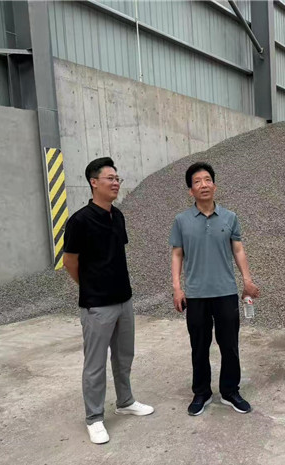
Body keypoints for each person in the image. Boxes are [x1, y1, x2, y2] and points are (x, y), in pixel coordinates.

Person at [63, 157, 154, 445]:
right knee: (95, 364)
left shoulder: (118, 216)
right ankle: (94, 418)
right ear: (94, 182)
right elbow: (69, 262)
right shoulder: (79, 221)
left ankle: (125, 401)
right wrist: (91, 286)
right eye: (110, 179)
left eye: (117, 179)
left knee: (124, 356)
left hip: (124, 300)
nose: (116, 183)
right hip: (97, 305)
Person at [170, 162, 260, 416]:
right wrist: (177, 288)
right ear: (191, 190)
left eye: (207, 180)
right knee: (199, 346)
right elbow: (177, 254)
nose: (203, 185)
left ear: (215, 185)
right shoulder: (181, 220)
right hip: (196, 294)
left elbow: (238, 249)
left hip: (225, 292)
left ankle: (230, 391)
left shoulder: (230, 217)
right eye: (197, 182)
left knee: (229, 345)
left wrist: (247, 280)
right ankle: (202, 392)